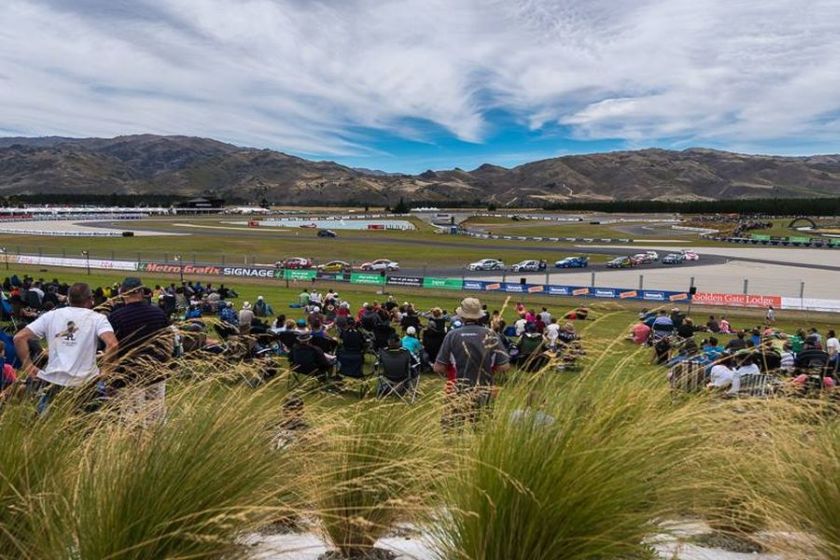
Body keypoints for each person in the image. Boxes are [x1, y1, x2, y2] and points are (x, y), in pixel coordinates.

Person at [13, 283, 118, 413]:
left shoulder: (52, 315)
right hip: (85, 381)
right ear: (90, 299)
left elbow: (19, 338)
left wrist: (28, 366)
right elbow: (113, 344)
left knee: (48, 422)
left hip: (53, 380)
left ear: (68, 298)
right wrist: (106, 370)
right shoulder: (98, 318)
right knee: (83, 425)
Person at [434, 297, 510, 427]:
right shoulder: (491, 334)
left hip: (456, 390)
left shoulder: (452, 335)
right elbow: (504, 366)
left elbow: (438, 368)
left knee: (453, 433)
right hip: (484, 390)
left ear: (462, 316)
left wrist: (450, 370)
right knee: (482, 432)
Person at [107, 277, 172, 426]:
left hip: (128, 376)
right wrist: (164, 364)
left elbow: (112, 347)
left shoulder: (115, 317)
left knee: (132, 421)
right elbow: (168, 343)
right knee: (155, 419)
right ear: (142, 292)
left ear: (122, 293)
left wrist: (109, 374)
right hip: (156, 373)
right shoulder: (158, 313)